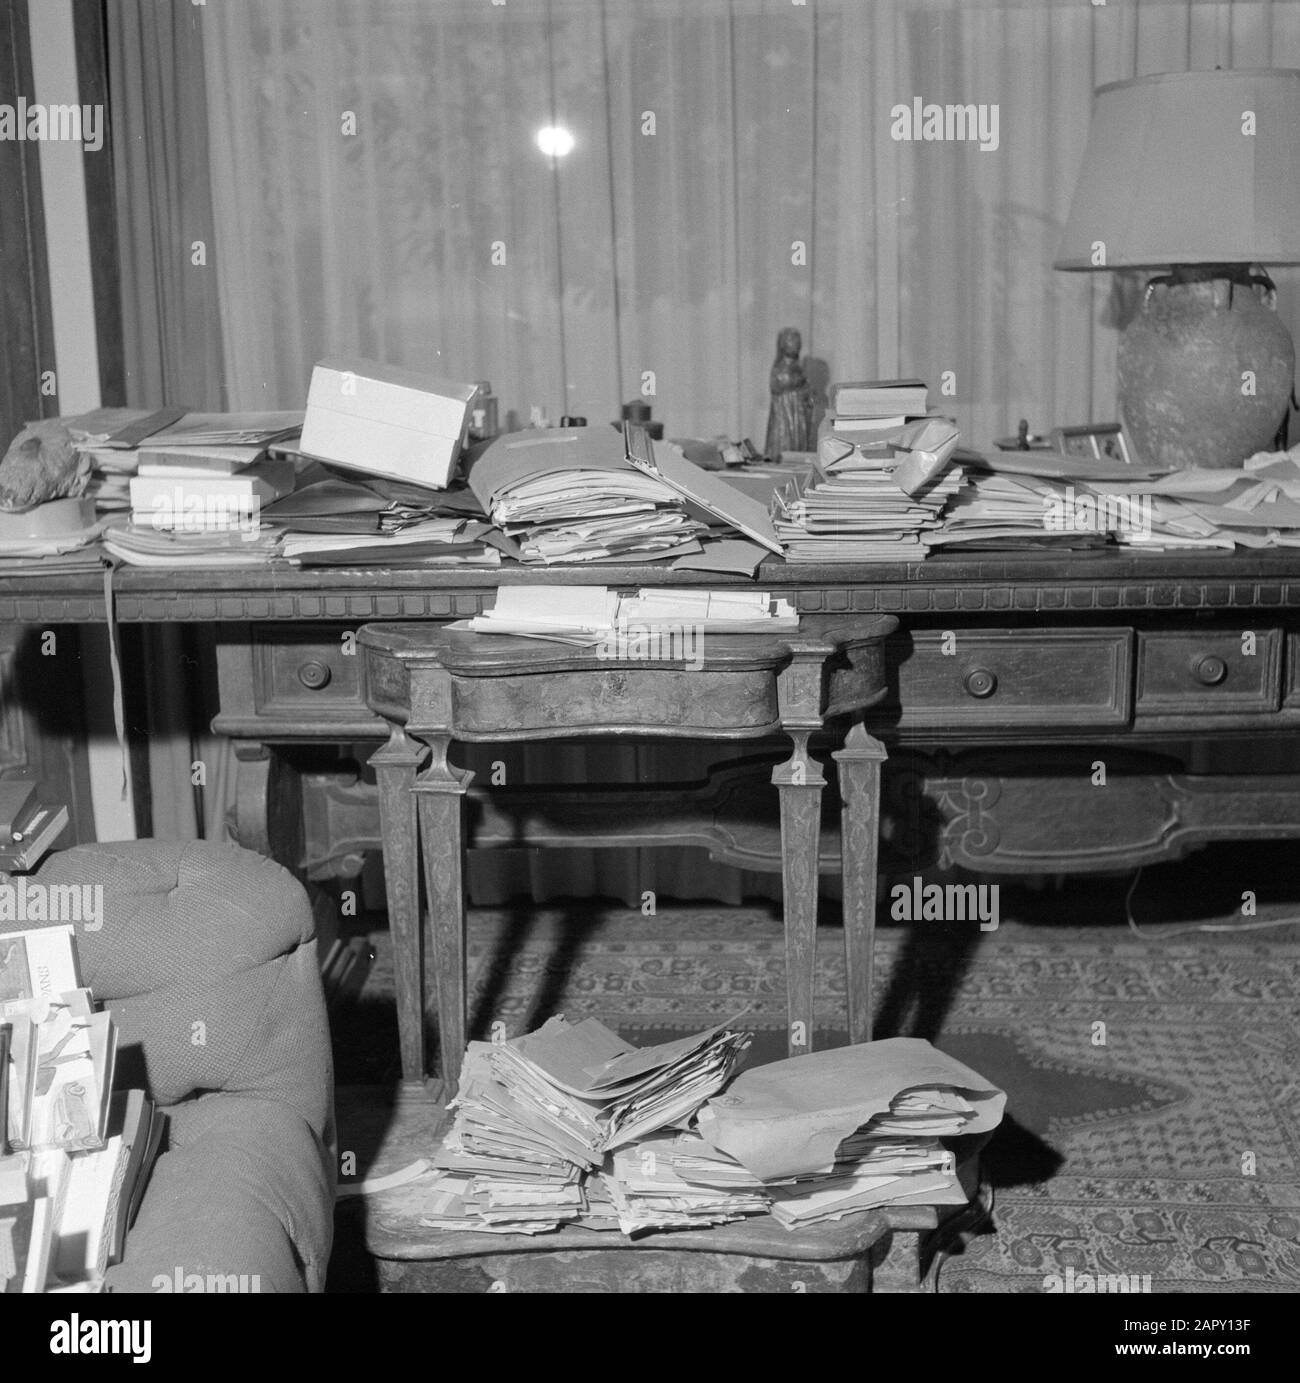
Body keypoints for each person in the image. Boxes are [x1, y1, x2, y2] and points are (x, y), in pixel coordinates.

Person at [765, 327, 813, 461]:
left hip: (798, 410)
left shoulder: (798, 367)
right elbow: (781, 382)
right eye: (791, 340)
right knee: (785, 440)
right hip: (785, 410)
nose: (796, 343)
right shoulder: (779, 366)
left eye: (797, 340)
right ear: (782, 343)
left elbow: (804, 385)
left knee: (798, 441)